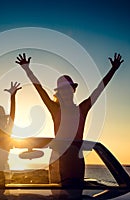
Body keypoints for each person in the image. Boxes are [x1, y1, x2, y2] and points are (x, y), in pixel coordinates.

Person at [16, 53, 124, 189]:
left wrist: (113, 70)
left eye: (68, 89)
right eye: (63, 90)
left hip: (76, 158)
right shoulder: (54, 109)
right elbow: (40, 89)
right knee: (58, 194)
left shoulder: (83, 109)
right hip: (58, 158)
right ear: (59, 93)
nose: (66, 92)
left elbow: (99, 90)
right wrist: (27, 69)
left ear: (73, 91)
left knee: (75, 192)